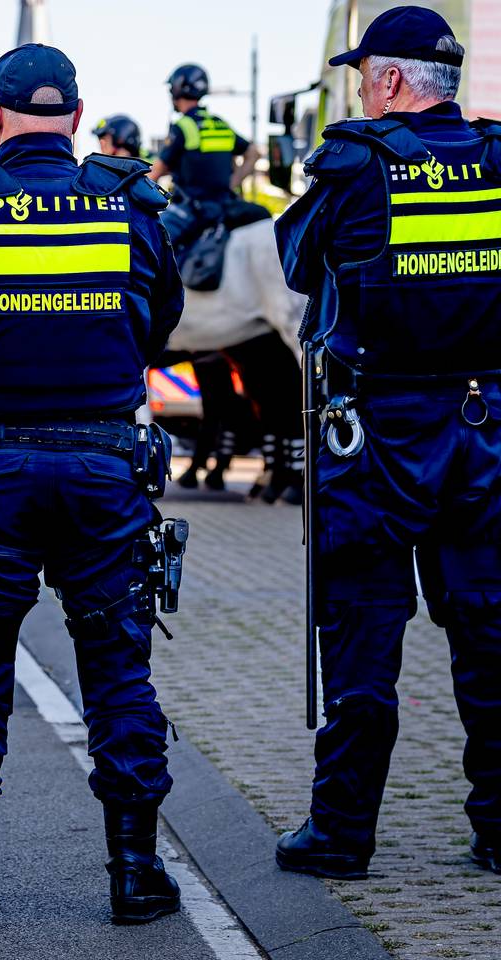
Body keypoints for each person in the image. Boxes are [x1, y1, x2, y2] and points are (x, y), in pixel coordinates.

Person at [0, 42, 186, 926]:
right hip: (105, 469)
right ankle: (136, 874)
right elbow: (158, 323)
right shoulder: (129, 202)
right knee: (119, 670)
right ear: (79, 119)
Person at [276, 5, 501, 880]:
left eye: (365, 78)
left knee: (365, 640)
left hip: (374, 443)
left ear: (394, 81)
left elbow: (300, 265)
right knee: (489, 638)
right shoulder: (495, 160)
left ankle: (340, 835)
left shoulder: (355, 165)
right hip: (485, 438)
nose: (361, 93)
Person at [151, 64, 265, 250]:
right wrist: (232, 183)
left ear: (177, 89)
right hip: (225, 205)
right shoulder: (220, 124)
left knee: (151, 242)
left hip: (191, 210)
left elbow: (157, 171)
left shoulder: (183, 126)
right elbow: (253, 153)